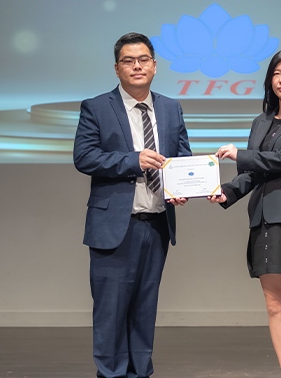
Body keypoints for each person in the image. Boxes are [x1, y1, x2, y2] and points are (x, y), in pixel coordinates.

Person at [74, 32, 191, 378]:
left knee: (144, 307)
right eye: (128, 61)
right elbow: (84, 156)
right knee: (110, 310)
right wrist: (133, 160)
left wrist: (181, 188)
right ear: (117, 69)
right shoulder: (97, 107)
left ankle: (140, 372)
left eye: (143, 60)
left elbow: (181, 158)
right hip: (115, 225)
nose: (136, 66)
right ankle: (111, 373)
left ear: (155, 66)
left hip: (156, 224)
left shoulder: (170, 107)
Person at [208, 49, 281, 378]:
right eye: (276, 73)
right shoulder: (260, 122)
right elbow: (254, 172)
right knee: (275, 306)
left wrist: (240, 155)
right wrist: (227, 191)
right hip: (264, 220)